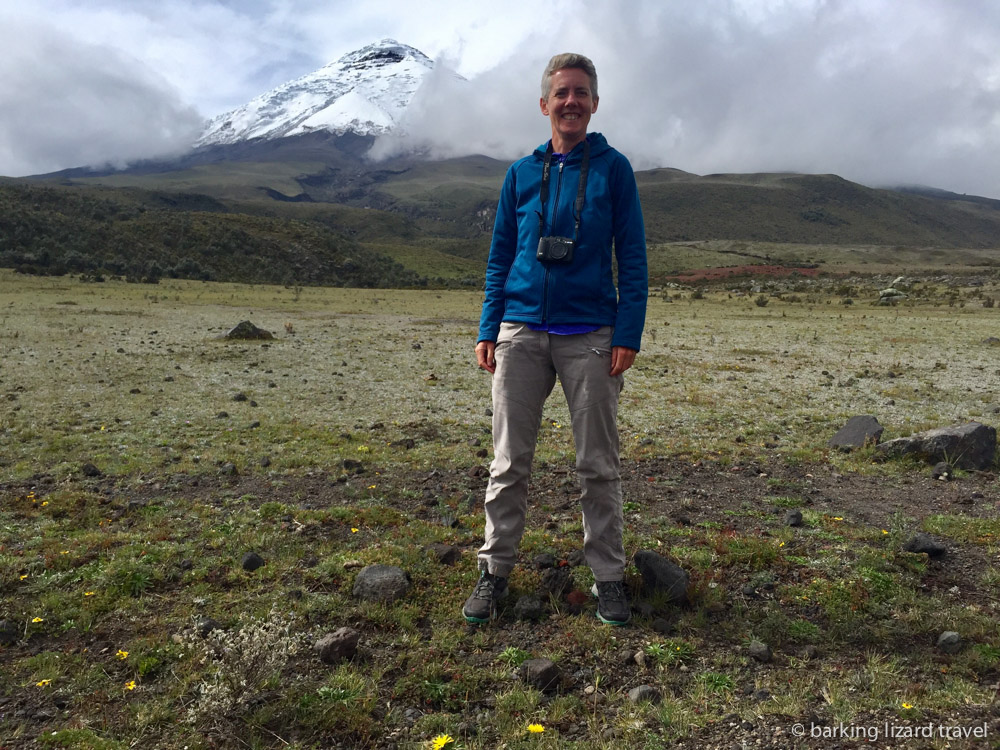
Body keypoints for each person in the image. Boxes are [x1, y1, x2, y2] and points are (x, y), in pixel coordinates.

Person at [463, 52, 648, 626]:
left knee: (597, 463)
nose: (571, 101)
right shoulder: (520, 173)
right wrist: (489, 325)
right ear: (544, 104)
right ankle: (494, 573)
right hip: (520, 332)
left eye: (581, 93)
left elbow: (633, 255)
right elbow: (500, 256)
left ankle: (609, 579)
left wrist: (628, 330)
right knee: (508, 461)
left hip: (591, 334)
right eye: (561, 93)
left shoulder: (614, 169)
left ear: (595, 103)